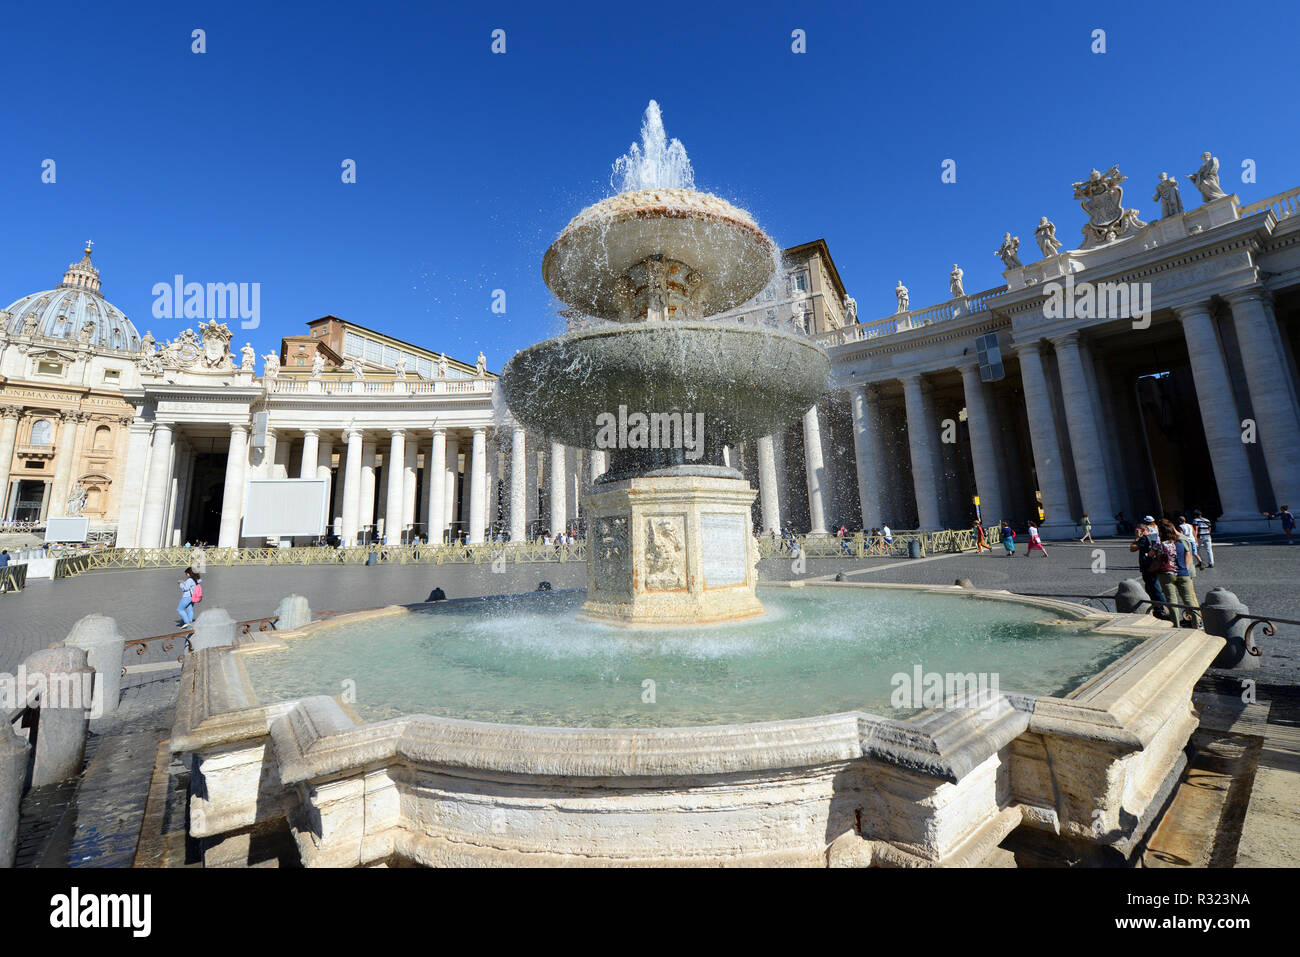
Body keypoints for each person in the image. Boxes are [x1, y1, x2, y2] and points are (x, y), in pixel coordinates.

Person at [1156, 519, 1199, 628]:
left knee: (1171, 600)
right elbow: (1188, 555)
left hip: (1167, 574)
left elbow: (1155, 557)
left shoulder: (1161, 545)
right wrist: (1184, 568)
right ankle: (1196, 624)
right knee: (1189, 600)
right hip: (1183, 573)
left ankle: (1176, 625)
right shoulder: (1180, 543)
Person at [1129, 518, 1167, 620]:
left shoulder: (1143, 538)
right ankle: (1159, 608)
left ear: (1141, 530)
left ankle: (1163, 607)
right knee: (1153, 587)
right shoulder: (1154, 537)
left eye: (1136, 530)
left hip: (1147, 566)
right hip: (1154, 565)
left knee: (1153, 588)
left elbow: (1132, 548)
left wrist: (1137, 537)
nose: (1135, 532)